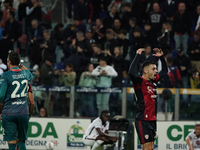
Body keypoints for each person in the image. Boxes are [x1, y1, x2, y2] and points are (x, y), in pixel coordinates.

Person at [128, 48, 168, 150]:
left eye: (156, 69)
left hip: (152, 119)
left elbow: (164, 71)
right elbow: (131, 73)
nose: (156, 71)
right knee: (147, 148)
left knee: (150, 147)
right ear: (145, 71)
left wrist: (161, 57)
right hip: (143, 119)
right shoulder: (139, 82)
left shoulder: (153, 81)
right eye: (153, 69)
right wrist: (137, 55)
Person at [0, 51, 33, 150]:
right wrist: (20, 65)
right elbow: (30, 75)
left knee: (12, 143)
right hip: (23, 112)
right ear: (18, 62)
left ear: (9, 62)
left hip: (9, 112)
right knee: (21, 141)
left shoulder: (5, 76)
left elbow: (1, 96)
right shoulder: (25, 74)